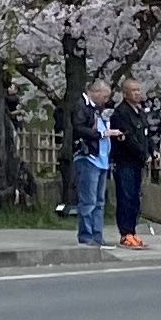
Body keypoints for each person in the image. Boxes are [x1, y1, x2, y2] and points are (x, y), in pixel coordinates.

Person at [63, 78, 115, 248]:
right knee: (88, 200)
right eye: (104, 96)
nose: (105, 100)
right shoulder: (81, 105)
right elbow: (79, 128)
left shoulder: (98, 109)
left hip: (101, 158)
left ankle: (97, 234)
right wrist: (101, 134)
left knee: (99, 201)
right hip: (88, 156)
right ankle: (86, 235)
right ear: (95, 92)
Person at [111, 75, 157, 249]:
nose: (138, 94)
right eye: (134, 90)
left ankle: (132, 231)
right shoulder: (121, 113)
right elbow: (128, 138)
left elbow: (146, 135)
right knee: (126, 197)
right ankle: (125, 233)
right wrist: (142, 154)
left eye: (139, 90)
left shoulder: (140, 112)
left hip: (138, 163)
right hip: (125, 161)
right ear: (125, 93)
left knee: (135, 199)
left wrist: (152, 151)